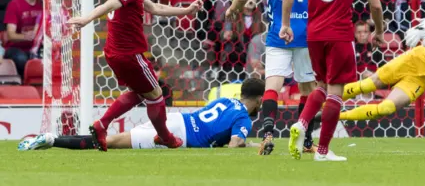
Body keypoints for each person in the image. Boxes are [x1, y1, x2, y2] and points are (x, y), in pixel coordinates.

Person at [67, 0, 203, 151]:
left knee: (141, 92)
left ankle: (101, 125)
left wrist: (187, 9)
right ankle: (165, 137)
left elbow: (156, 8)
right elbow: (110, 4)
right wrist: (87, 19)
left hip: (115, 53)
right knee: (157, 94)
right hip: (129, 54)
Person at [280, 0, 384, 162]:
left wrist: (285, 24)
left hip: (313, 33)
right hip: (338, 34)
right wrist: (379, 31)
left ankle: (302, 123)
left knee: (321, 87)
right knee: (336, 91)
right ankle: (323, 152)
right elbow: (376, 5)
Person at [225, 0, 317, 156]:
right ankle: (306, 142)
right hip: (306, 33)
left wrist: (232, 10)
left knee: (272, 86)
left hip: (278, 33)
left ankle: (267, 135)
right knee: (307, 88)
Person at [19, 78, 265, 151]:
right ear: (259, 100)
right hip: (179, 135)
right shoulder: (243, 118)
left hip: (178, 121)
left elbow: (224, 134)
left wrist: (250, 143)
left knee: (111, 141)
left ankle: (52, 139)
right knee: (110, 143)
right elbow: (234, 144)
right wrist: (246, 145)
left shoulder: (224, 100)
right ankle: (51, 140)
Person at [3, 0, 43, 78]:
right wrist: (26, 37)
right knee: (21, 59)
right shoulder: (14, 4)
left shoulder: (43, 2)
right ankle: (23, 84)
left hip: (38, 48)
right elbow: (11, 35)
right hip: (16, 48)